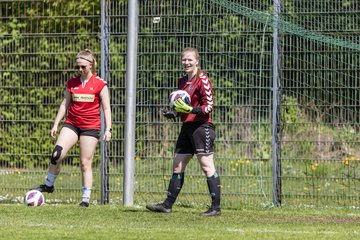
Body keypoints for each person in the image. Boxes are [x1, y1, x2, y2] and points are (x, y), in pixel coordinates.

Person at [146, 47, 221, 216]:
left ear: (197, 61)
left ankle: (216, 208)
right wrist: (174, 113)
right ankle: (167, 205)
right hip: (187, 127)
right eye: (184, 60)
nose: (186, 63)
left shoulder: (203, 79)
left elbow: (209, 106)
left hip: (202, 127)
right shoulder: (182, 82)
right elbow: (182, 108)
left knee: (206, 165)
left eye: (190, 60)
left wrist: (191, 109)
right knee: (178, 164)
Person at [32, 49, 112, 207]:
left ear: (91, 65)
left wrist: (108, 129)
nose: (80, 70)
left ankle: (85, 198)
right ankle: (48, 185)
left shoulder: (100, 84)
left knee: (85, 163)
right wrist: (56, 124)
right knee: (56, 154)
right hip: (72, 124)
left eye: (83, 67)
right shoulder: (71, 83)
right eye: (78, 67)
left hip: (90, 127)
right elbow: (64, 104)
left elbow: (107, 108)